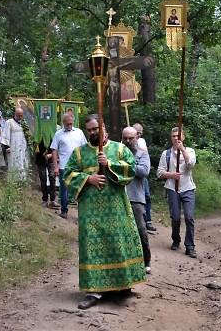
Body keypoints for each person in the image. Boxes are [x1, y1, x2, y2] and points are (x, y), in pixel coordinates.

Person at [63, 114, 146, 310]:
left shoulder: (119, 148)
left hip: (115, 209)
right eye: (89, 130)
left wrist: (109, 164)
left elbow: (131, 169)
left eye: (95, 129)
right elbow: (68, 175)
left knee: (117, 244)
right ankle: (94, 291)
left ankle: (123, 284)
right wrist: (88, 179)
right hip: (90, 212)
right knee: (93, 247)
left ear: (103, 127)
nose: (92, 133)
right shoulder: (79, 153)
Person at [157, 127, 197, 258]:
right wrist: (171, 175)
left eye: (178, 136)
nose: (176, 138)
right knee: (175, 217)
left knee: (189, 217)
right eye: (173, 136)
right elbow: (159, 172)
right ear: (171, 138)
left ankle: (190, 246)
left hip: (188, 188)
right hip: (172, 188)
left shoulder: (190, 151)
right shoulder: (166, 154)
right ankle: (176, 239)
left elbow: (190, 164)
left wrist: (182, 150)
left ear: (183, 138)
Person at [122, 126, 152, 275]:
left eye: (131, 138)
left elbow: (144, 171)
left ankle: (146, 260)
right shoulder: (116, 154)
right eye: (125, 138)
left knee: (141, 230)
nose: (128, 141)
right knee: (121, 231)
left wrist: (126, 163)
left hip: (136, 198)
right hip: (119, 197)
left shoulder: (142, 154)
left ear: (136, 138)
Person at [50, 112, 87, 219]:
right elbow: (54, 151)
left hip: (78, 166)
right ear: (63, 123)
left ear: (73, 122)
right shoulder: (58, 134)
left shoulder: (79, 132)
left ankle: (82, 211)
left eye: (71, 123)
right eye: (67, 124)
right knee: (64, 189)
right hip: (64, 166)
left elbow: (85, 148)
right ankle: (64, 210)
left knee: (80, 187)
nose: (69, 126)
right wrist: (56, 167)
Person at [133, 123, 156, 232]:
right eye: (137, 133)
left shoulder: (141, 141)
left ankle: (148, 221)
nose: (139, 135)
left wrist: (137, 146)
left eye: (140, 133)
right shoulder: (126, 139)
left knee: (146, 196)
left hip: (141, 172)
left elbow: (145, 152)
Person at [2, 107, 30, 181]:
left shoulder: (23, 123)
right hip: (13, 147)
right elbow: (6, 135)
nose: (20, 117)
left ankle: (22, 179)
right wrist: (6, 147)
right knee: (14, 162)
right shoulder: (9, 122)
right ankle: (13, 180)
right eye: (18, 115)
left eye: (21, 115)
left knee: (22, 161)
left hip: (22, 147)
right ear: (15, 114)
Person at [35, 141, 59, 208]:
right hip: (40, 159)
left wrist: (51, 154)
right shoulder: (38, 134)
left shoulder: (53, 134)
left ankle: (53, 200)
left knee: (52, 177)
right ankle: (45, 200)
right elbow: (34, 146)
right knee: (43, 179)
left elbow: (57, 147)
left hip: (51, 159)